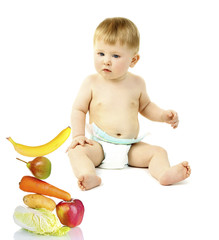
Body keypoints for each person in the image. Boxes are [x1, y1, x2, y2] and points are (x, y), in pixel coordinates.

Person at [66, 17, 191, 190]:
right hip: (99, 146)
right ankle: (88, 175)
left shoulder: (137, 83)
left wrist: (163, 115)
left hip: (130, 147)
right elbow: (78, 110)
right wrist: (78, 136)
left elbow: (146, 107)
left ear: (133, 60)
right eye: (101, 53)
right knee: (76, 152)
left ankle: (163, 173)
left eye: (115, 55)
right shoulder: (91, 83)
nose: (106, 60)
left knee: (158, 152)